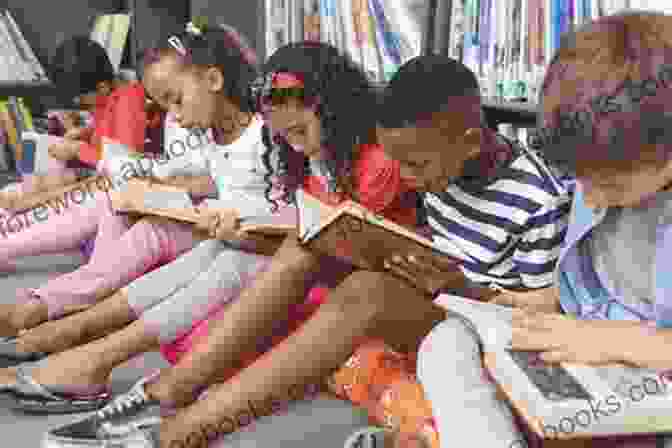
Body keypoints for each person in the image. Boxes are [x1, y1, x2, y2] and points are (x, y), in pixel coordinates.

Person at [418, 11, 672, 448]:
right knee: (447, 341)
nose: (589, 198)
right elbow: (598, 278)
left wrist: (612, 340)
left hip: (647, 373)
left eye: (607, 184)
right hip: (588, 345)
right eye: (580, 179)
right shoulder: (609, 165)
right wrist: (539, 301)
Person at [0, 36, 155, 211]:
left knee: (22, 197)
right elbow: (110, 130)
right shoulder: (108, 99)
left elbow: (124, 163)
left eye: (81, 99)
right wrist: (86, 132)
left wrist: (77, 149)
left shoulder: (127, 102)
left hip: (109, 185)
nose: (80, 105)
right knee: (18, 181)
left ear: (102, 87)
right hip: (94, 177)